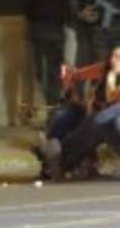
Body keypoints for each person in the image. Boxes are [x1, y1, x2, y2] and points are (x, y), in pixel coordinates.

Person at [41, 43, 120, 179]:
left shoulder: (112, 74)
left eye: (118, 57)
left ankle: (63, 160)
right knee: (70, 113)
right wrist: (69, 79)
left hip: (112, 118)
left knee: (100, 121)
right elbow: (77, 75)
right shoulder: (105, 68)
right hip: (99, 115)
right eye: (113, 56)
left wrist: (112, 76)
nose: (114, 60)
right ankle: (53, 154)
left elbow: (112, 97)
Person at [20, 0, 75, 116]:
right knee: (52, 72)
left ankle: (49, 107)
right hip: (54, 31)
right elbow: (70, 5)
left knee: (41, 72)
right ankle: (53, 106)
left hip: (39, 30)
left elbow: (24, 4)